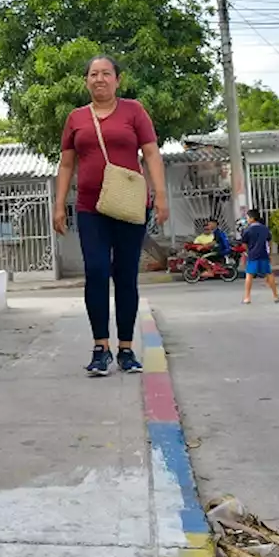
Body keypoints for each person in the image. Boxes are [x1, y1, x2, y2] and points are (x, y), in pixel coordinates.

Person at [53, 55, 169, 377]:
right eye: (93, 74)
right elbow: (66, 164)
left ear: (118, 79)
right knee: (97, 271)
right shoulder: (76, 118)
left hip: (131, 206)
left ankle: (127, 350)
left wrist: (160, 195)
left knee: (126, 275)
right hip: (91, 209)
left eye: (106, 74)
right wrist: (59, 204)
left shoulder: (134, 111)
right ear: (86, 80)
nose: (99, 79)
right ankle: (100, 347)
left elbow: (151, 153)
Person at [240, 209, 279, 304]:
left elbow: (244, 244)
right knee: (269, 274)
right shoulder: (264, 229)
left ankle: (247, 297)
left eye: (248, 217)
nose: (247, 219)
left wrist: (247, 252)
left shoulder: (247, 230)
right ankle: (275, 296)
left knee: (249, 276)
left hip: (253, 255)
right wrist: (269, 253)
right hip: (263, 254)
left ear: (252, 218)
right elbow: (269, 242)